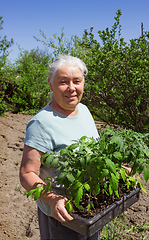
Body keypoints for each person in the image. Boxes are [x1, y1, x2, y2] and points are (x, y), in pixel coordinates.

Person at [19, 55, 100, 240]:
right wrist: (52, 199)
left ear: (83, 83)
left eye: (77, 81)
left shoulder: (85, 111)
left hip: (91, 206)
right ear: (51, 84)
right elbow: (27, 173)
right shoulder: (41, 123)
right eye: (63, 82)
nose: (71, 88)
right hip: (62, 214)